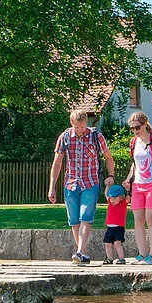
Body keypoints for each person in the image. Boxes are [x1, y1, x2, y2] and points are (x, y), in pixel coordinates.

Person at [46, 109, 114, 265]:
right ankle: (82, 253)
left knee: (86, 217)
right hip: (71, 183)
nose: (80, 130)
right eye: (77, 127)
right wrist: (52, 187)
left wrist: (111, 175)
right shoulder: (64, 138)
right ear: (72, 124)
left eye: (82, 127)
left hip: (90, 182)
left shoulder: (96, 136)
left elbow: (108, 157)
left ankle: (80, 251)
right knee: (74, 220)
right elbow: (57, 163)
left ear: (86, 123)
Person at [124, 110, 152, 264]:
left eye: (137, 127)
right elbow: (135, 165)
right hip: (138, 185)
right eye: (132, 128)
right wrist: (129, 179)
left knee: (150, 219)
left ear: (144, 125)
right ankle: (141, 254)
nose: (135, 130)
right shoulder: (133, 143)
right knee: (138, 219)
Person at [100, 184, 129, 264]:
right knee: (107, 243)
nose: (112, 200)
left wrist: (128, 188)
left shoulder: (123, 203)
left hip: (119, 227)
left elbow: (129, 197)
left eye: (114, 198)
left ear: (121, 197)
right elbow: (106, 193)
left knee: (117, 243)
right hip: (110, 227)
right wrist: (107, 186)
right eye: (111, 198)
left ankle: (121, 258)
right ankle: (109, 258)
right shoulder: (110, 202)